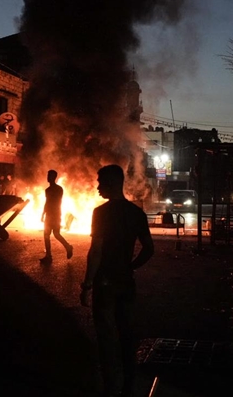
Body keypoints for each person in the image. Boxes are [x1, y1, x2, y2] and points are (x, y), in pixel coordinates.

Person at [80, 164, 154, 397]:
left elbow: (96, 251)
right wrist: (131, 266)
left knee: (105, 336)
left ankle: (110, 387)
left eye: (101, 182)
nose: (98, 187)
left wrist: (87, 284)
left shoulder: (100, 213)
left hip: (104, 282)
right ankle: (128, 387)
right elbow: (149, 249)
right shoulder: (137, 214)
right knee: (126, 335)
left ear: (111, 183)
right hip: (125, 281)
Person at [39, 169, 73, 263]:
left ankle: (65, 248)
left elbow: (54, 202)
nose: (48, 177)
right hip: (52, 214)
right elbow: (47, 202)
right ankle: (50, 255)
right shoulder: (49, 190)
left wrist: (46, 213)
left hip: (54, 214)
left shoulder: (57, 189)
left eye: (49, 176)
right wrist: (43, 213)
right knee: (50, 234)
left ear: (54, 177)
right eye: (48, 176)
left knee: (53, 234)